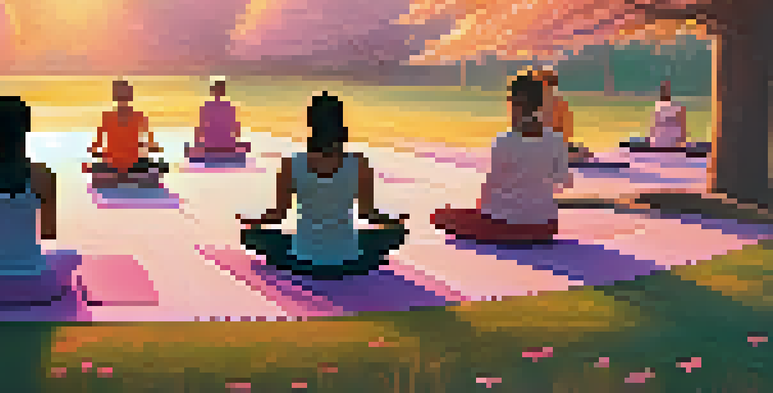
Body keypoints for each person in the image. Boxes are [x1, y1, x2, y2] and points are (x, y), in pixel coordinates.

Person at [236, 92, 407, 280]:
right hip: (348, 258)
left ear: (311, 126)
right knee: (394, 234)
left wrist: (255, 222)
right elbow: (368, 214)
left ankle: (305, 254)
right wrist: (393, 222)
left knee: (253, 236)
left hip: (303, 258)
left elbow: (278, 214)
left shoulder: (291, 164)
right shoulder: (359, 163)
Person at [0, 95, 77, 306]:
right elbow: (48, 233)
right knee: (69, 253)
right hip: (37, 287)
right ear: (27, 128)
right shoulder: (44, 175)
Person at [431, 73, 572, 243]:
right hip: (545, 225)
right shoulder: (556, 139)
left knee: (441, 216)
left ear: (513, 103)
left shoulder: (504, 140)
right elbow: (563, 181)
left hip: (506, 225)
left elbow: (491, 191)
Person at [86, 78, 168, 187]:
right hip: (133, 163)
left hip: (112, 164)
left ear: (115, 97)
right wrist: (152, 148)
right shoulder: (139, 117)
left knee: (94, 166)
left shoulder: (107, 117)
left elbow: (97, 144)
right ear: (130, 97)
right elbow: (150, 143)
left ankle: (113, 177)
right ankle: (134, 177)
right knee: (158, 165)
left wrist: (93, 150)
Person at [186, 76, 250, 162]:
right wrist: (237, 143)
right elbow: (236, 129)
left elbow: (200, 129)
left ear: (212, 92)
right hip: (227, 144)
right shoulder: (229, 107)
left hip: (210, 145)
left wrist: (197, 146)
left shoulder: (206, 107)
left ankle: (204, 150)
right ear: (223, 92)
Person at [650, 80, 686, 149]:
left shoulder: (658, 107)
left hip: (661, 144)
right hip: (669, 144)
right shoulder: (676, 108)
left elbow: (653, 129)